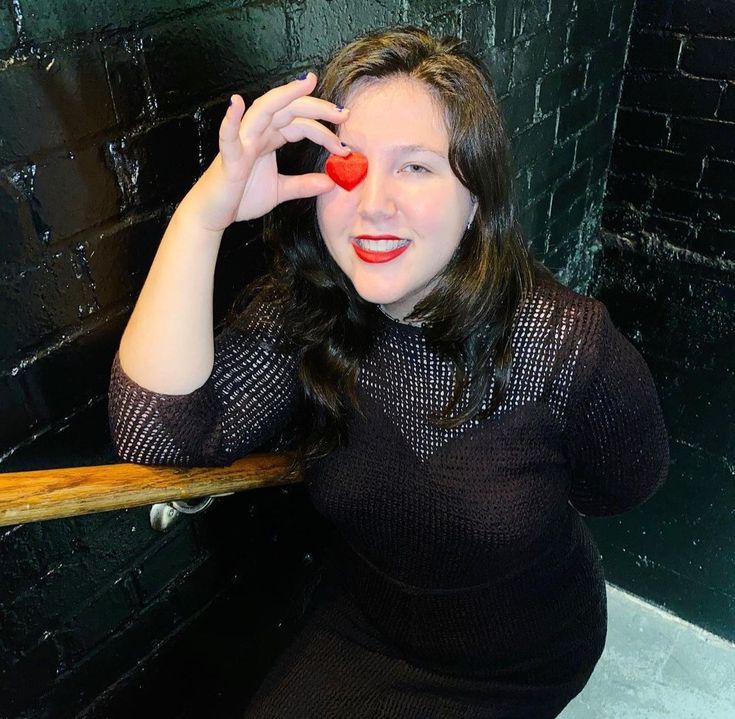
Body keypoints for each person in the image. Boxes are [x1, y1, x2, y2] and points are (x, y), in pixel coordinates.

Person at [108, 26, 669, 718]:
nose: (373, 204)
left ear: (475, 200)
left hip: (525, 653)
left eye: (415, 167)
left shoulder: (568, 347)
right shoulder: (306, 311)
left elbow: (621, 484)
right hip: (370, 626)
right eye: (349, 165)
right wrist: (203, 216)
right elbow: (156, 436)